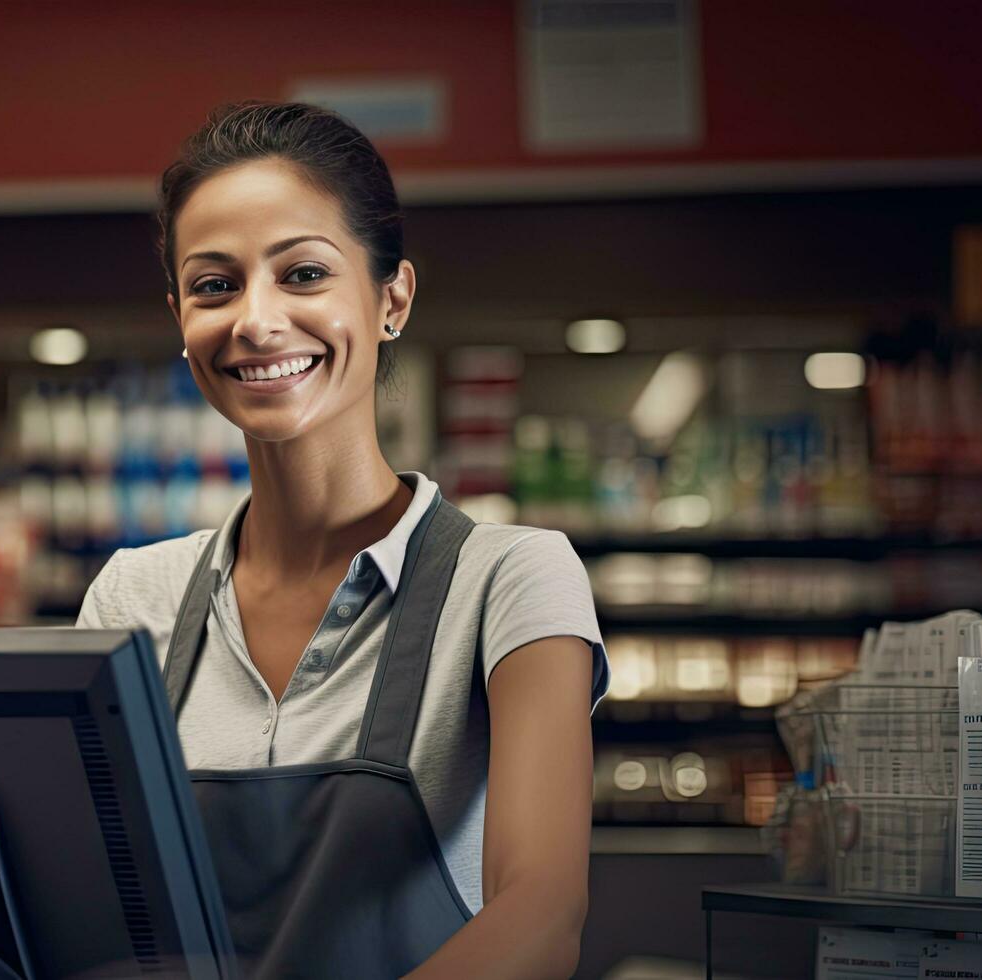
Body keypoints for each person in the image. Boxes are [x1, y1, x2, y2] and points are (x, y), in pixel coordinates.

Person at [75, 102, 609, 979]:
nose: (255, 319)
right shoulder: (133, 598)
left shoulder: (509, 579)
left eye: (303, 273)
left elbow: (542, 916)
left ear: (390, 297)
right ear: (179, 317)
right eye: (214, 285)